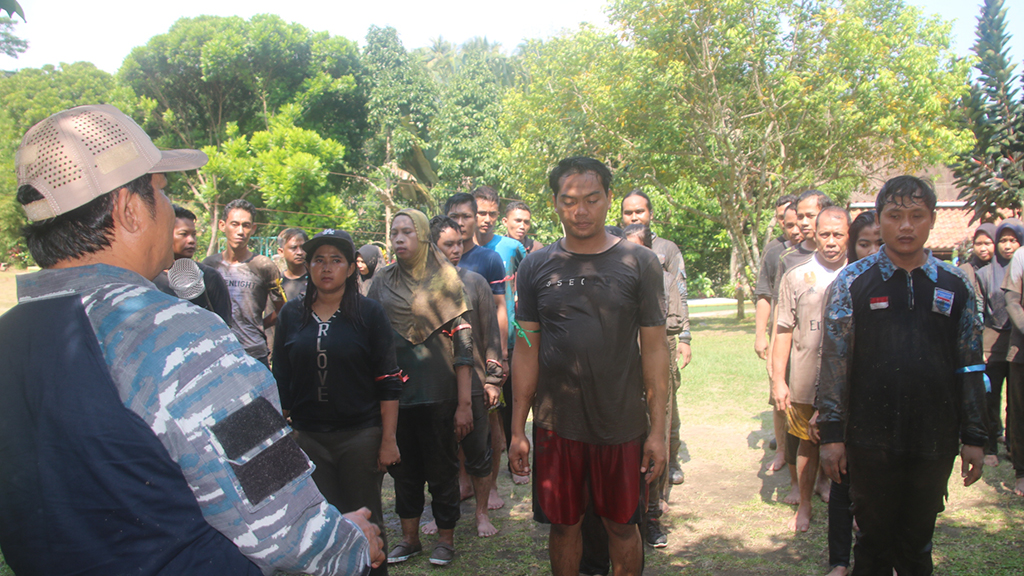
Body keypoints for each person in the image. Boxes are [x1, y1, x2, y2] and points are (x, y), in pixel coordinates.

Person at [0, 104, 383, 575]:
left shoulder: (12, 335)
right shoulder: (171, 335)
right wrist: (352, 544)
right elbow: (283, 524)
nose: (170, 208)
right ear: (128, 209)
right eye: (162, 192)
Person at [509, 157, 669, 576]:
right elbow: (526, 349)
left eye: (592, 199)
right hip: (556, 424)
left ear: (609, 199)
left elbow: (654, 350)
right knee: (563, 527)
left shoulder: (641, 263)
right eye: (570, 201)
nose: (581, 211)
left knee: (622, 526)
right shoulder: (535, 266)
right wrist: (516, 430)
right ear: (556, 204)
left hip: (621, 423)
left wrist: (658, 430)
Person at [818, 175, 986, 575]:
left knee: (916, 543)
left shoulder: (956, 283)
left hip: (934, 437)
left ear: (932, 220)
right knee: (872, 543)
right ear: (880, 220)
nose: (906, 226)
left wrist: (975, 437)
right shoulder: (852, 281)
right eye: (895, 216)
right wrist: (832, 435)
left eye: (916, 216)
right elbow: (835, 362)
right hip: (868, 437)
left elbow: (971, 363)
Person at [273, 228, 403, 576]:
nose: (326, 268)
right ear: (309, 266)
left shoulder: (369, 314)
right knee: (320, 527)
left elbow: (389, 381)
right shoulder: (291, 316)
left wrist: (388, 440)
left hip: (359, 437)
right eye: (318, 260)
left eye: (336, 260)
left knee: (367, 523)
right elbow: (281, 380)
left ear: (350, 268)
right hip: (307, 439)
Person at [368, 209, 474, 567]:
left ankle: (445, 540)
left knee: (443, 470)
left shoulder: (446, 279)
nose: (398, 239)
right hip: (396, 397)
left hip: (439, 395)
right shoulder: (381, 281)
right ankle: (410, 539)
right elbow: (371, 338)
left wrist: (464, 403)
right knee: (403, 471)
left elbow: (463, 346)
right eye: (394, 232)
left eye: (407, 232)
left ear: (424, 236)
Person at [771, 206, 850, 534]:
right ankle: (804, 503)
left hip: (848, 381)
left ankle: (848, 504)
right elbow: (784, 330)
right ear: (813, 235)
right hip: (805, 378)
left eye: (838, 235)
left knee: (848, 445)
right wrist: (778, 379)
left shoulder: (860, 274)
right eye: (825, 234)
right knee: (807, 441)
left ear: (848, 235)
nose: (831, 242)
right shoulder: (795, 276)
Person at [620, 189, 691, 549]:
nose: (635, 217)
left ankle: (652, 514)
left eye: (640, 211)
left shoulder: (666, 254)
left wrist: (686, 336)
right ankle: (626, 513)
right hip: (619, 365)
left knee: (658, 427)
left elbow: (680, 295)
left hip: (659, 352)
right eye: (628, 212)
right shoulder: (610, 259)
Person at [431, 215, 505, 536]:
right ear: (432, 247)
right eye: (449, 244)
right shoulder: (420, 287)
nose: (457, 249)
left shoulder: (476, 283)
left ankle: (481, 513)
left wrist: (493, 380)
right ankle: (440, 515)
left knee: (479, 453)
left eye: (460, 242)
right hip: (435, 385)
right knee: (439, 456)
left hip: (474, 384)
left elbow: (491, 335)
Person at [822, 209, 883, 576]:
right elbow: (828, 355)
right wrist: (824, 409)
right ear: (852, 245)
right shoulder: (846, 283)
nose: (874, 249)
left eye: (879, 241)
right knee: (842, 484)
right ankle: (839, 562)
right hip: (847, 403)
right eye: (865, 243)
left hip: (888, 404)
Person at [769, 190, 833, 504]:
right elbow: (781, 317)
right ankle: (797, 484)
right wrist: (776, 372)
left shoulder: (846, 261)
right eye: (801, 217)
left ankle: (823, 479)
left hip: (833, 362)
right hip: (800, 358)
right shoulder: (789, 260)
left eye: (810, 216)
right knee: (800, 429)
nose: (803, 223)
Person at [473, 186, 529, 492]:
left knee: (508, 404)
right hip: (471, 342)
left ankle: (513, 459)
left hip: (507, 341)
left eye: (492, 214)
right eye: (481, 213)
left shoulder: (509, 247)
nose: (487, 219)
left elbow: (527, 279)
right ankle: (473, 473)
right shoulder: (457, 247)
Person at [203, 198, 284, 366]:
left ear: (253, 229)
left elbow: (282, 307)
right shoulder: (209, 266)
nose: (240, 231)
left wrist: (259, 325)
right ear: (222, 225)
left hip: (253, 352)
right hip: (217, 352)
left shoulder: (263, 266)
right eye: (234, 224)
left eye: (246, 225)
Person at [754, 201, 803, 473]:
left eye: (799, 222)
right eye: (788, 223)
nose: (795, 230)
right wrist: (761, 335)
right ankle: (782, 450)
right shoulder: (775, 254)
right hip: (781, 333)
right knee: (779, 392)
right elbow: (765, 295)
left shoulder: (819, 253)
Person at [976, 219, 1023, 467]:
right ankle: (990, 446)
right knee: (990, 398)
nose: (1007, 246)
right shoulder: (984, 274)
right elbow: (979, 311)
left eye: (1012, 240)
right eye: (1003, 240)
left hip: (1016, 343)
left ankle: (1014, 448)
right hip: (991, 342)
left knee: (1016, 402)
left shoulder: (1020, 269)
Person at [152, 204, 232, 323]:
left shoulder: (209, 277)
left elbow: (225, 324)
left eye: (193, 234)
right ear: (164, 234)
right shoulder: (148, 277)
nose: (191, 240)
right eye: (183, 234)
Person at [1000, 241, 1024, 497]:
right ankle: (1021, 471)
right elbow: (1012, 300)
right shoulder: (1021, 256)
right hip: (1022, 352)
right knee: (1020, 411)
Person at [960, 224, 996, 300]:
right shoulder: (965, 270)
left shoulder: (1003, 270)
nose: (982, 248)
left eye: (987, 244)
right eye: (978, 244)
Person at [277, 227, 309, 302]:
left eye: (303, 247)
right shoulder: (278, 283)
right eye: (294, 248)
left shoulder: (316, 279)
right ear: (281, 252)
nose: (300, 252)